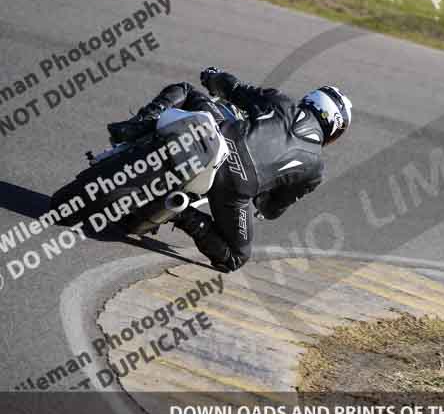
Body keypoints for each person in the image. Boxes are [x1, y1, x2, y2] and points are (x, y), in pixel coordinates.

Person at [107, 67, 353, 273]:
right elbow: (272, 207)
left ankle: (134, 127)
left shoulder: (281, 102)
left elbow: (234, 89)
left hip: (218, 138)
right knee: (236, 257)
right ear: (334, 129)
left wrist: (212, 77)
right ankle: (181, 212)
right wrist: (263, 198)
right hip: (235, 188)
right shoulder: (315, 169)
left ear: (311, 100)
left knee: (185, 90)